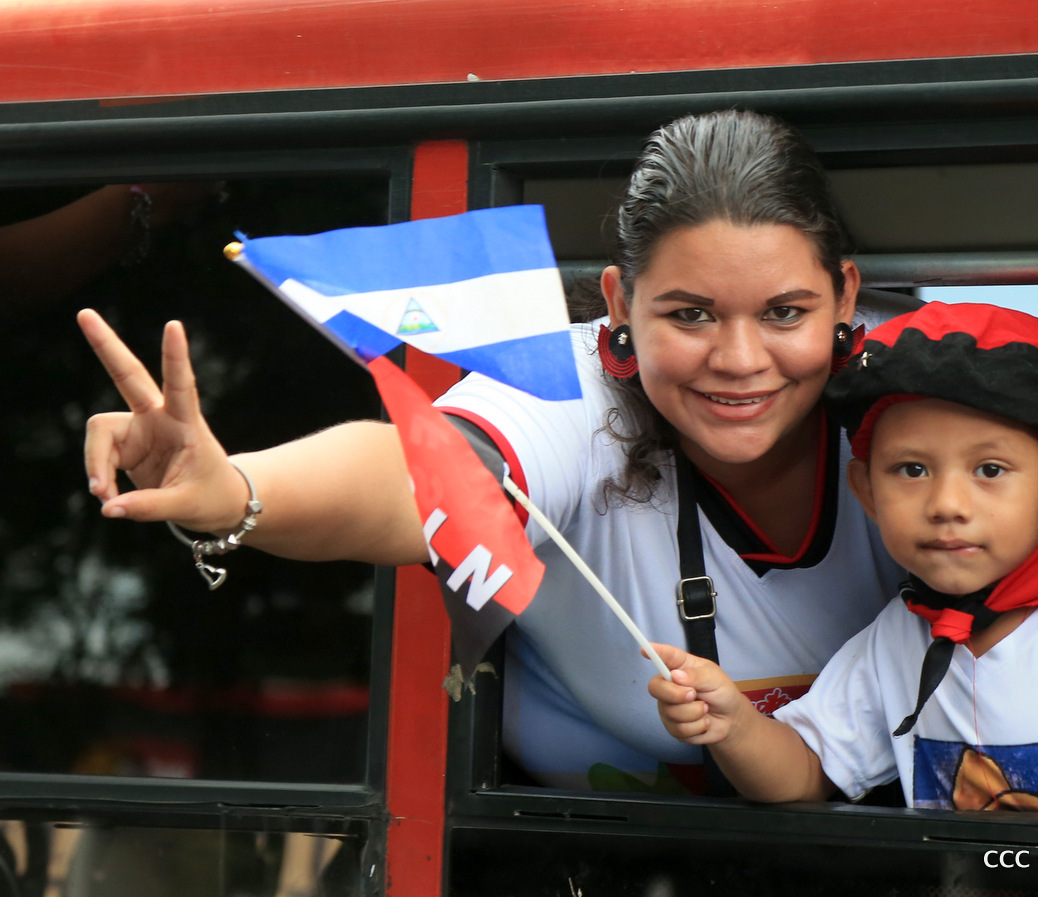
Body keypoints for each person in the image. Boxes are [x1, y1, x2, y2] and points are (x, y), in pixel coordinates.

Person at [78, 109, 909, 794]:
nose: (739, 358)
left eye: (784, 313)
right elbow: (425, 475)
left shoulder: (916, 389)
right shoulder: (572, 390)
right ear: (620, 304)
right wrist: (237, 490)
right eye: (689, 314)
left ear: (845, 296)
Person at [650, 301, 1038, 810]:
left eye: (990, 470)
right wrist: (733, 725)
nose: (946, 505)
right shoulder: (899, 636)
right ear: (867, 493)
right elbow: (806, 771)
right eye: (912, 470)